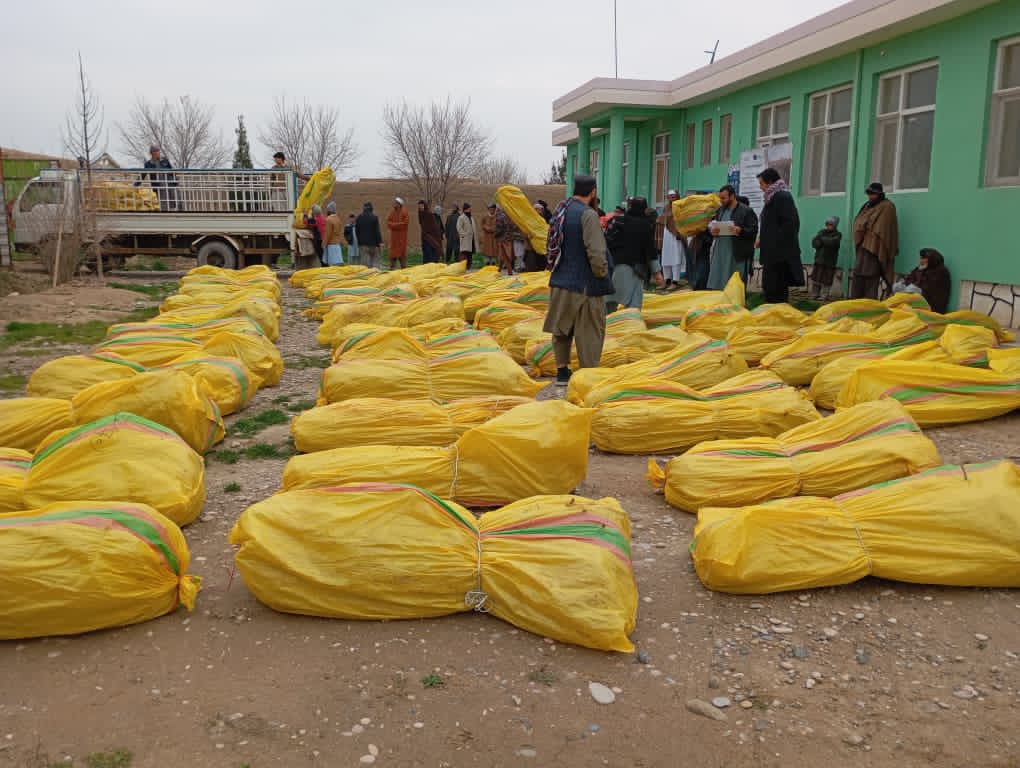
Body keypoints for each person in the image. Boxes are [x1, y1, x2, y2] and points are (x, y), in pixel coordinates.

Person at [544, 174, 611, 386]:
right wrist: (601, 274)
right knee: (589, 332)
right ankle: (588, 377)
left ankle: (562, 371)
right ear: (593, 191)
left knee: (562, 328)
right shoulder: (588, 215)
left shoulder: (560, 210)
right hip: (585, 286)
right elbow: (596, 252)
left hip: (561, 280)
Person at [755, 167, 803, 304]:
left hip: (779, 255)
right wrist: (762, 239)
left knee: (777, 289)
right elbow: (771, 225)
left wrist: (774, 244)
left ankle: (778, 317)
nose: (760, 187)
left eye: (761, 183)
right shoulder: (772, 197)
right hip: (772, 254)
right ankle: (772, 315)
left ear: (770, 182)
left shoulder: (782, 197)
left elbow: (791, 224)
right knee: (770, 288)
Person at [608, 196, 664, 310]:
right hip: (636, 268)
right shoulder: (645, 225)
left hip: (616, 265)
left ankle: (607, 324)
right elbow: (650, 249)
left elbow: (607, 241)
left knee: (610, 299)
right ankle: (632, 324)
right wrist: (657, 273)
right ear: (644, 209)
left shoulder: (617, 221)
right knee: (634, 302)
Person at [851, 182, 899, 300]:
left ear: (879, 194)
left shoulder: (887, 207)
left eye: (873, 194)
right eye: (869, 194)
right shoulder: (867, 206)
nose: (870, 196)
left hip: (876, 249)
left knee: (871, 275)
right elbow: (859, 221)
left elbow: (883, 229)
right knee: (858, 274)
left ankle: (869, 306)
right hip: (863, 246)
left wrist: (868, 229)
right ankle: (855, 303)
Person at [708, 185, 758, 291]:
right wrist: (713, 231)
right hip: (720, 253)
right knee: (719, 282)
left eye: (723, 198)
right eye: (720, 198)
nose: (721, 201)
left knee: (735, 285)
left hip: (737, 254)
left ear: (732, 196)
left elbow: (753, 230)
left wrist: (741, 230)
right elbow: (713, 224)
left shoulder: (746, 211)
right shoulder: (720, 210)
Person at [894, 248, 951, 314]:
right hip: (919, 299)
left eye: (923, 259)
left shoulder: (941, 271)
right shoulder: (921, 269)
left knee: (911, 289)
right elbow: (909, 279)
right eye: (921, 258)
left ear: (931, 260)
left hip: (932, 306)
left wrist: (915, 289)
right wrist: (903, 284)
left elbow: (931, 289)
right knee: (898, 286)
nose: (921, 261)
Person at [656, 190, 685, 290]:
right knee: (666, 258)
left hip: (676, 236)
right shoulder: (666, 208)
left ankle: (675, 281)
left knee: (675, 259)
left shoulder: (681, 207)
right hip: (666, 236)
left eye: (674, 197)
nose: (672, 199)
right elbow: (661, 219)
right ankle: (667, 280)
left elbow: (682, 221)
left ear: (677, 197)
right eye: (670, 197)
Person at [810, 216, 842, 301]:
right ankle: (814, 294)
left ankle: (824, 296)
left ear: (835, 225)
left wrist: (821, 239)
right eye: (828, 224)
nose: (829, 226)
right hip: (819, 260)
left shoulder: (837, 234)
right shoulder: (822, 232)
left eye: (831, 224)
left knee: (827, 280)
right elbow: (814, 243)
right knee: (816, 278)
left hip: (829, 262)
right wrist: (822, 240)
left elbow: (832, 242)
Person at [141, 144, 178, 211]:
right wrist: (135, 185)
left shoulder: (165, 160)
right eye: (155, 151)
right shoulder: (148, 164)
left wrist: (175, 181)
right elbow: (143, 175)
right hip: (158, 187)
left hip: (168, 185)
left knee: (172, 203)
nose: (157, 152)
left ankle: (172, 215)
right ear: (151, 153)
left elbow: (172, 171)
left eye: (158, 151)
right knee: (162, 204)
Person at [355, 202, 384, 269]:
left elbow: (357, 231)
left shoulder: (359, 218)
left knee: (365, 266)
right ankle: (375, 277)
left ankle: (366, 278)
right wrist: (380, 242)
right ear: (371, 209)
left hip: (363, 245)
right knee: (375, 264)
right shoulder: (374, 218)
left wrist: (359, 242)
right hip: (373, 245)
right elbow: (377, 231)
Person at [494, 205, 520, 275]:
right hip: (509, 238)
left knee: (505, 255)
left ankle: (509, 271)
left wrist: (495, 234)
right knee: (504, 255)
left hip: (502, 239)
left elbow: (499, 228)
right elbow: (514, 226)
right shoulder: (509, 215)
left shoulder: (499, 216)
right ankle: (499, 270)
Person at [386, 197, 410, 270]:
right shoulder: (392, 213)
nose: (394, 204)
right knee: (392, 263)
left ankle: (404, 276)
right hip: (394, 241)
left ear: (399, 204)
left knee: (403, 263)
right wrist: (397, 225)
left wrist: (394, 225)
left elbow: (404, 224)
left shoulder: (405, 213)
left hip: (402, 240)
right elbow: (388, 223)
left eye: (396, 203)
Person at [418, 200, 444, 264]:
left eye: (422, 206)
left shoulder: (429, 214)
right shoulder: (420, 214)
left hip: (431, 238)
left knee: (431, 255)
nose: (420, 207)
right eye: (419, 206)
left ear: (425, 206)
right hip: (424, 237)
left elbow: (434, 227)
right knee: (426, 255)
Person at [456, 202, 479, 268]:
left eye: (470, 208)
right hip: (465, 239)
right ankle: (462, 267)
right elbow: (459, 228)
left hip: (471, 238)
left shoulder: (471, 217)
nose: (470, 210)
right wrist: (464, 234)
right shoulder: (461, 217)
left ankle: (469, 266)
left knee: (470, 253)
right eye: (469, 209)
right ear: (465, 209)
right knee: (464, 253)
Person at [323, 201, 344, 266]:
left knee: (332, 264)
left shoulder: (328, 219)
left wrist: (324, 244)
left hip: (331, 244)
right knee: (337, 264)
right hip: (337, 244)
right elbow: (340, 232)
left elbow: (328, 234)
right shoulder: (338, 219)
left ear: (329, 210)